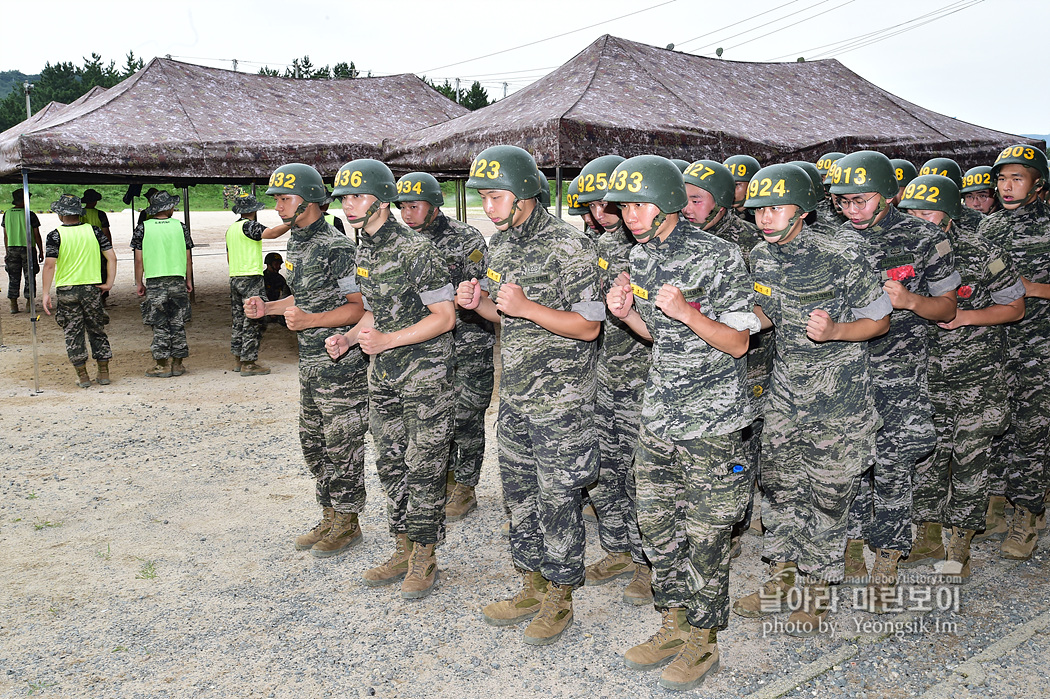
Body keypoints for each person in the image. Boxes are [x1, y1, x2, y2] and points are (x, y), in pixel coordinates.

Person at [605, 155, 758, 690]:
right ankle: (672, 620)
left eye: (641, 205)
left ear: (669, 201)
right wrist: (627, 315)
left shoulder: (719, 256)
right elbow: (660, 337)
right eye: (625, 208)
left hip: (713, 420)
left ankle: (704, 637)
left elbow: (739, 341)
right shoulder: (640, 259)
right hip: (661, 414)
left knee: (708, 531)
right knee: (657, 523)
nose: (632, 216)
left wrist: (689, 312)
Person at [732, 164, 890, 637]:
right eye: (759, 209)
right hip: (784, 396)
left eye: (775, 209)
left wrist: (837, 331)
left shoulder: (843, 253)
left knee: (828, 497)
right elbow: (766, 311)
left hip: (838, 403)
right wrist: (735, 322)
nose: (764, 219)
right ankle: (779, 578)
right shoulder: (760, 255)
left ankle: (817, 587)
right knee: (779, 487)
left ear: (802, 210)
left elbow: (879, 321)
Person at [457, 144, 602, 646]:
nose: (488, 208)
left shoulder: (572, 248)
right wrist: (482, 307)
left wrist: (527, 305)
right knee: (520, 498)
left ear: (525, 195)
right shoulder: (499, 248)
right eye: (483, 197)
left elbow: (588, 326)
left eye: (496, 196)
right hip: (516, 397)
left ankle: (560, 595)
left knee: (558, 498)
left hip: (562, 403)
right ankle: (531, 582)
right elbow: (509, 316)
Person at [828, 151, 959, 613]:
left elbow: (948, 309)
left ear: (889, 194)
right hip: (843, 371)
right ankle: (850, 544)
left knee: (892, 468)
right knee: (846, 465)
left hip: (898, 373)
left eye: (860, 200)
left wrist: (910, 301)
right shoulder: (831, 240)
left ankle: (887, 558)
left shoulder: (925, 240)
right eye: (842, 202)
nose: (851, 210)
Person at [325, 159, 455, 600]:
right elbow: (376, 308)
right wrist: (348, 336)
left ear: (380, 199)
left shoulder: (416, 251)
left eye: (356, 197)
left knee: (425, 465)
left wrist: (388, 340)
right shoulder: (363, 246)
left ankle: (425, 554)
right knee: (392, 463)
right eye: (343, 198)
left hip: (424, 375)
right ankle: (403, 546)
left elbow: (446, 317)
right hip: (384, 375)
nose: (348, 205)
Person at [898, 174, 1024, 578]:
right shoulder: (903, 252)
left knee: (970, 466)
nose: (918, 219)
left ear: (950, 213)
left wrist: (966, 317)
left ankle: (961, 547)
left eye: (927, 211)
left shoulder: (982, 252)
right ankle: (928, 536)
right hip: (924, 378)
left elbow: (1015, 307)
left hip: (976, 381)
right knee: (927, 462)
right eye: (911, 212)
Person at [244, 163, 370, 560]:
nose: (279, 206)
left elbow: (359, 308)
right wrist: (267, 308)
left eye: (286, 198)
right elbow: (304, 299)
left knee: (342, 443)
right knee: (313, 442)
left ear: (310, 199)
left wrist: (313, 321)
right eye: (277, 199)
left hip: (341, 365)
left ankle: (348, 522)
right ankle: (330, 513)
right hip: (311, 363)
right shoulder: (297, 242)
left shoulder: (337, 248)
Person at [393, 171, 495, 523]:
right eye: (402, 207)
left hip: (468, 344)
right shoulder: (401, 242)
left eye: (414, 206)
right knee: (431, 418)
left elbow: (484, 291)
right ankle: (444, 478)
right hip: (424, 349)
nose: (407, 214)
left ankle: (465, 486)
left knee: (466, 418)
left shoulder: (466, 239)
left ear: (434, 205)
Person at [575, 154, 654, 605]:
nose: (600, 215)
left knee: (643, 476)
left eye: (610, 206)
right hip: (601, 378)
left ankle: (648, 563)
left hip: (643, 383)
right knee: (604, 473)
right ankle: (620, 547)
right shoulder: (595, 247)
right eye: (593, 207)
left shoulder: (650, 252)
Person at [679, 159, 765, 558]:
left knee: (736, 453)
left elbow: (761, 314)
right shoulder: (677, 241)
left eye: (696, 200)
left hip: (746, 364)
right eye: (683, 198)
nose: (686, 207)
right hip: (693, 366)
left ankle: (732, 528)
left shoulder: (749, 245)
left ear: (723, 203)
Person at [977, 144, 1050, 561]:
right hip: (994, 346)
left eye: (1016, 178)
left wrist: (1033, 288)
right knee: (995, 427)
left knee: (1032, 432)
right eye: (1001, 178)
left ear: (1037, 183)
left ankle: (1026, 514)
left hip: (1039, 347)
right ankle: (998, 504)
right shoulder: (988, 229)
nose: (1006, 186)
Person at [40, 194, 117, 388]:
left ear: (60, 214)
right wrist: (108, 283)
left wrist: (46, 292)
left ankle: (82, 376)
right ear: (79, 213)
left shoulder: (55, 235)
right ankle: (104, 372)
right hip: (92, 287)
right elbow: (112, 258)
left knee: (73, 332)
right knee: (97, 329)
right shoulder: (95, 231)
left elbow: (49, 265)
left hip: (67, 290)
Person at [131, 191, 195, 378]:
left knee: (159, 322)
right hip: (177, 279)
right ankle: (178, 363)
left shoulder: (143, 228)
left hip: (155, 280)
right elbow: (188, 257)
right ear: (169, 208)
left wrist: (138, 282)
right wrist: (188, 280)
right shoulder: (180, 227)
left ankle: (161, 364)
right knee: (178, 321)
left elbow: (138, 259)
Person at [225, 194, 289, 376]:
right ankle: (249, 362)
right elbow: (272, 233)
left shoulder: (231, 229)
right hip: (251, 277)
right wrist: (291, 223)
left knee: (238, 319)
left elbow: (229, 256)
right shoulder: (249, 226)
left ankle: (239, 359)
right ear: (253, 210)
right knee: (255, 318)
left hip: (235, 276)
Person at [3, 189, 43, 314]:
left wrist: (7, 250)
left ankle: (13, 304)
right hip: (28, 249)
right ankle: (29, 303)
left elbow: (6, 235)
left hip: (12, 248)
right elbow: (36, 234)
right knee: (30, 276)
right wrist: (41, 250)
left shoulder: (7, 213)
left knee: (13, 277)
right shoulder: (30, 214)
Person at [80, 189, 113, 305]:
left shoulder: (79, 213)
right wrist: (109, 246)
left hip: (83, 248)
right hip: (99, 248)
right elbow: (106, 232)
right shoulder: (100, 214)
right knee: (102, 272)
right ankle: (102, 298)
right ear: (95, 202)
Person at [724, 154, 761, 224]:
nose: (729, 189)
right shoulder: (718, 212)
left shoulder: (762, 216)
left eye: (736, 185)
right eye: (726, 184)